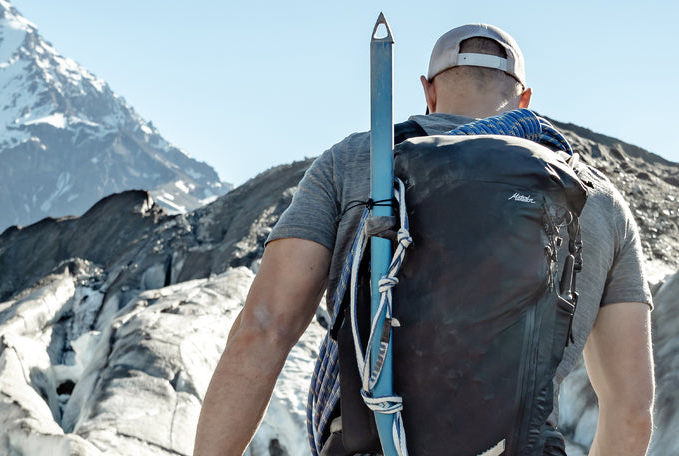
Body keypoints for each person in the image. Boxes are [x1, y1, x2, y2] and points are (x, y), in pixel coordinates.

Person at [194, 23, 654, 456]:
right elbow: (631, 411)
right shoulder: (597, 200)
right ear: (525, 100)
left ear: (428, 90)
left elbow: (264, 327)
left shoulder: (359, 161)